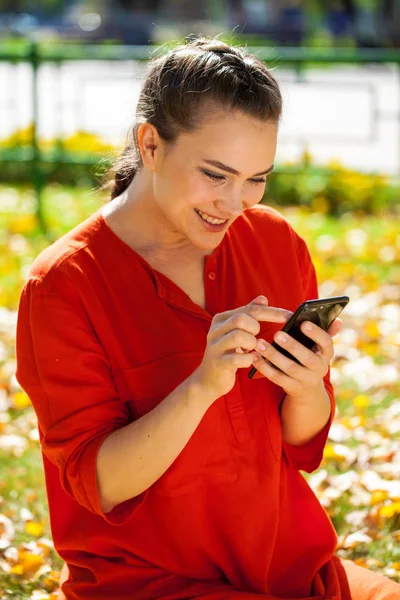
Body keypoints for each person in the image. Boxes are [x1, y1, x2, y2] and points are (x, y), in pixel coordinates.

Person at [15, 37, 400, 600]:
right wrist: (200, 388)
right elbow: (99, 484)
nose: (237, 201)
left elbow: (301, 445)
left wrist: (308, 385)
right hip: (151, 583)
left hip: (289, 568)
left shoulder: (275, 242)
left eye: (257, 177)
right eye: (216, 175)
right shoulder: (63, 286)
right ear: (150, 144)